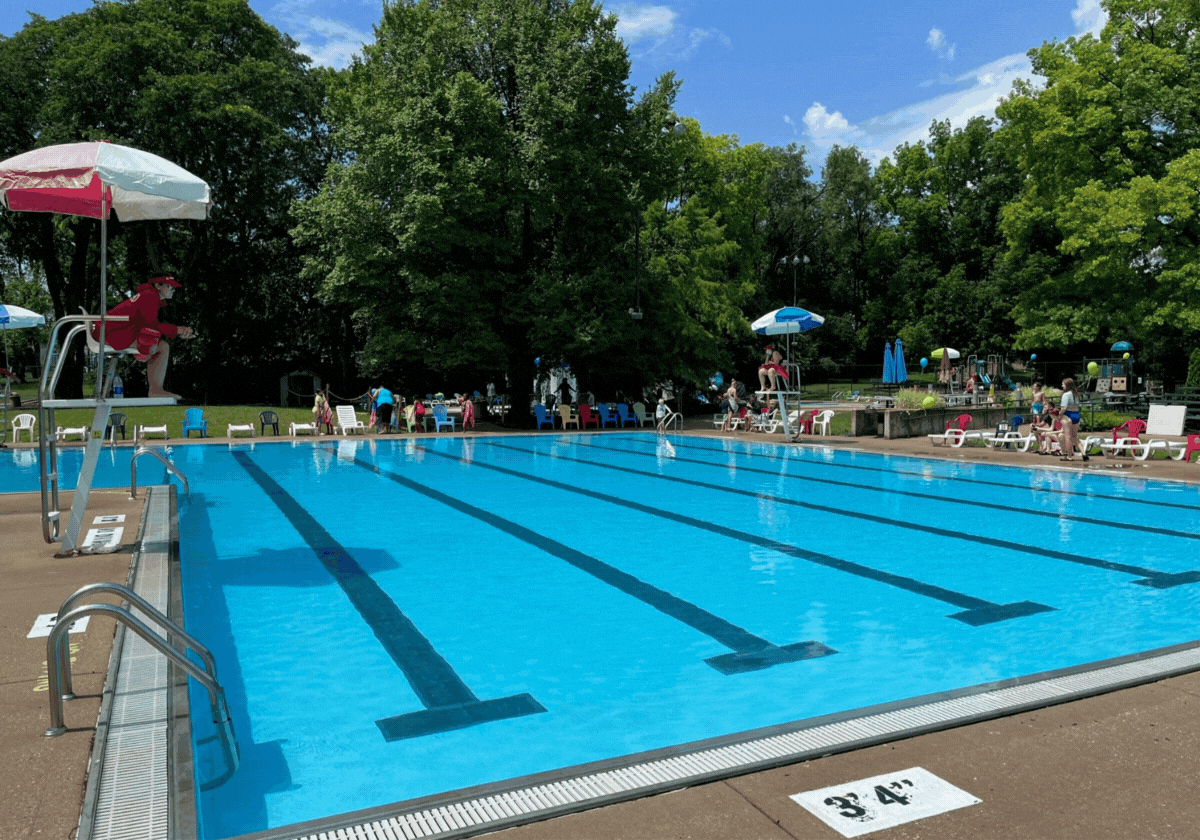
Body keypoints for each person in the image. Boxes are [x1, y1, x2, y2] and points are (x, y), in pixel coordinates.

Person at [91, 275, 196, 398]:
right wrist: (179, 330)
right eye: (171, 287)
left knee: (160, 346)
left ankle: (156, 390)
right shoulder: (150, 296)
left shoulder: (149, 295)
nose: (173, 290)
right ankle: (155, 390)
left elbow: (149, 325)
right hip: (109, 334)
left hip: (110, 332)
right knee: (157, 345)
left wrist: (177, 331)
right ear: (158, 285)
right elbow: (152, 326)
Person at [1059, 377, 1088, 461]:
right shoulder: (1075, 394)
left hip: (1068, 415)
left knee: (1067, 437)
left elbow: (1064, 407)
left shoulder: (1066, 395)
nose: (1062, 386)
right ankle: (1083, 453)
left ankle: (1069, 456)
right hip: (1076, 415)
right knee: (1074, 437)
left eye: (1063, 384)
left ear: (1067, 385)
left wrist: (1059, 414)